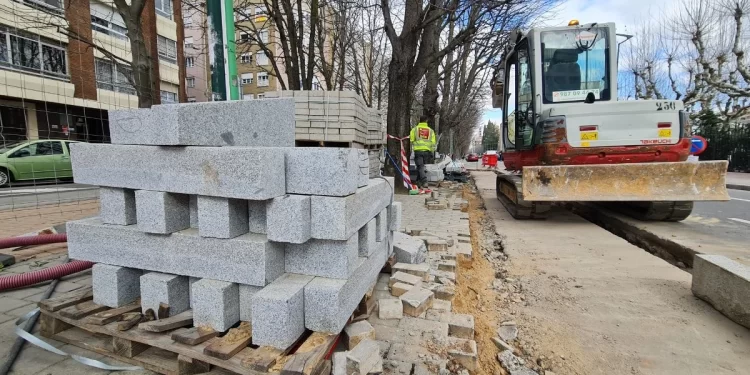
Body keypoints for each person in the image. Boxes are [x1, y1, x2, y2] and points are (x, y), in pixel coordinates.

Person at [410, 115, 436, 190]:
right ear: (426, 121)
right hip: (427, 152)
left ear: (420, 120)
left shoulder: (415, 129)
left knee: (420, 167)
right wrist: (432, 152)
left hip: (418, 151)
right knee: (420, 167)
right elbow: (433, 142)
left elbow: (411, 139)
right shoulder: (430, 131)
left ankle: (424, 181)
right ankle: (418, 183)